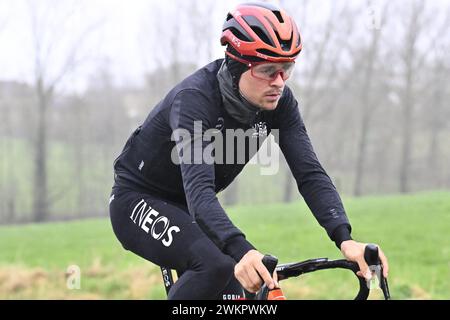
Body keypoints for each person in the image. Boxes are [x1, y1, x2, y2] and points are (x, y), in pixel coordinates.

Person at [109, 2, 389, 300]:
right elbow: (200, 192)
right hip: (137, 199)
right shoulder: (194, 100)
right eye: (268, 70)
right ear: (237, 65)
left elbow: (310, 174)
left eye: (286, 69)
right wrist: (243, 250)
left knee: (244, 292)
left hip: (192, 209)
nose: (279, 82)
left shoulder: (280, 104)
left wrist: (345, 240)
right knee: (216, 265)